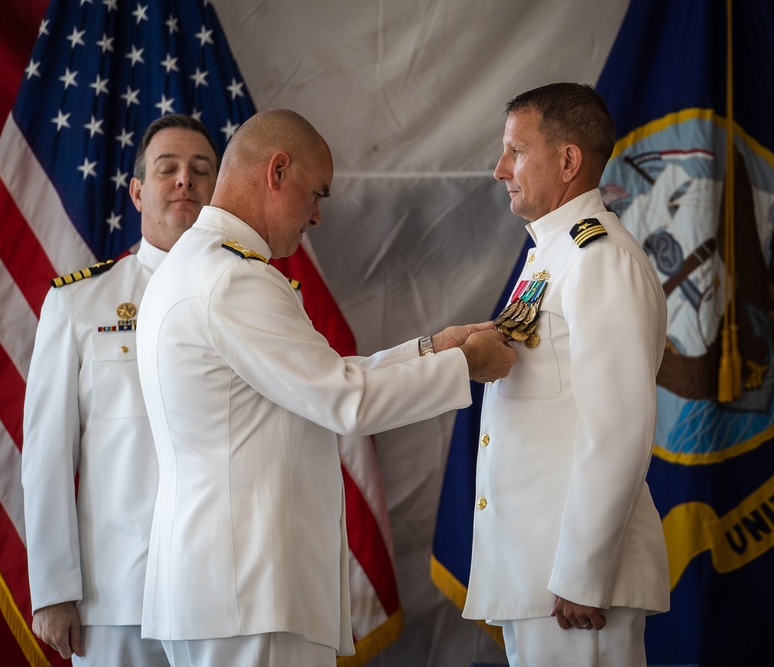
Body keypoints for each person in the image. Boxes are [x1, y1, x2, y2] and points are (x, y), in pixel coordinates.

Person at [135, 108, 515, 667]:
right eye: (316, 194)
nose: (315, 216)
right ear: (278, 171)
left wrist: (434, 349)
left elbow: (322, 378)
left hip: (228, 590)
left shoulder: (198, 265)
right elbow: (345, 400)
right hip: (251, 594)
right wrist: (466, 368)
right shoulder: (233, 278)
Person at [461, 83, 670, 666]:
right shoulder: (552, 254)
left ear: (569, 160)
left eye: (516, 151)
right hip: (537, 572)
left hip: (575, 586)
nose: (500, 168)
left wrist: (583, 572)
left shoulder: (599, 258)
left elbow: (619, 428)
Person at [21, 113, 220, 666]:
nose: (186, 179)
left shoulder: (255, 301)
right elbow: (47, 455)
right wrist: (55, 587)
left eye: (202, 170)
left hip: (225, 594)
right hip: (118, 593)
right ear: (137, 192)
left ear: (218, 193)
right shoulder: (79, 304)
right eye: (168, 168)